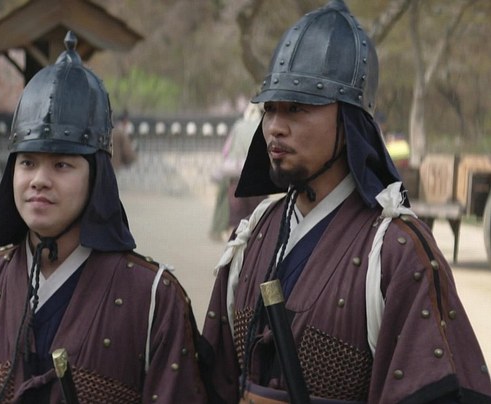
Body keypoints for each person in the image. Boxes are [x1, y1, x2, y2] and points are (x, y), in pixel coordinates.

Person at [202, 1, 491, 402]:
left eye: (297, 108)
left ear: (350, 121)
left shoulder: (396, 250)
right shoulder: (254, 234)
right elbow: (211, 382)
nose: (275, 127)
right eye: (270, 109)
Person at [0, 32, 210, 403]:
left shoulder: (154, 297)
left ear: (96, 177)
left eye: (62, 165)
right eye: (27, 162)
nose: (39, 180)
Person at [210, 103, 266, 241]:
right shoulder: (263, 125)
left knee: (237, 214)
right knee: (257, 213)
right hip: (258, 175)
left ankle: (234, 241)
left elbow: (226, 151)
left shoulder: (238, 126)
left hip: (236, 175)